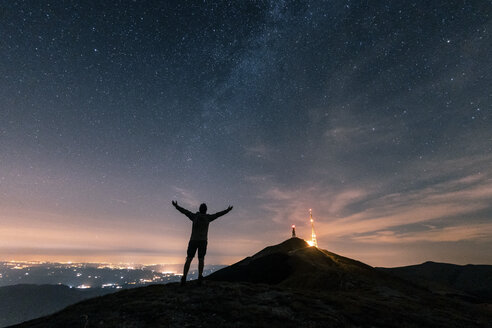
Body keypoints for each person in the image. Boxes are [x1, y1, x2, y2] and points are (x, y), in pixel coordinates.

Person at [172, 200, 233, 286]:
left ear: (199, 209)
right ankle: (200, 277)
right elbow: (218, 214)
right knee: (201, 259)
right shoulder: (208, 218)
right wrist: (227, 210)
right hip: (203, 241)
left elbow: (184, 211)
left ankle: (184, 278)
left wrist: (176, 206)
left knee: (189, 258)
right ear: (206, 210)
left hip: (193, 240)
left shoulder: (194, 216)